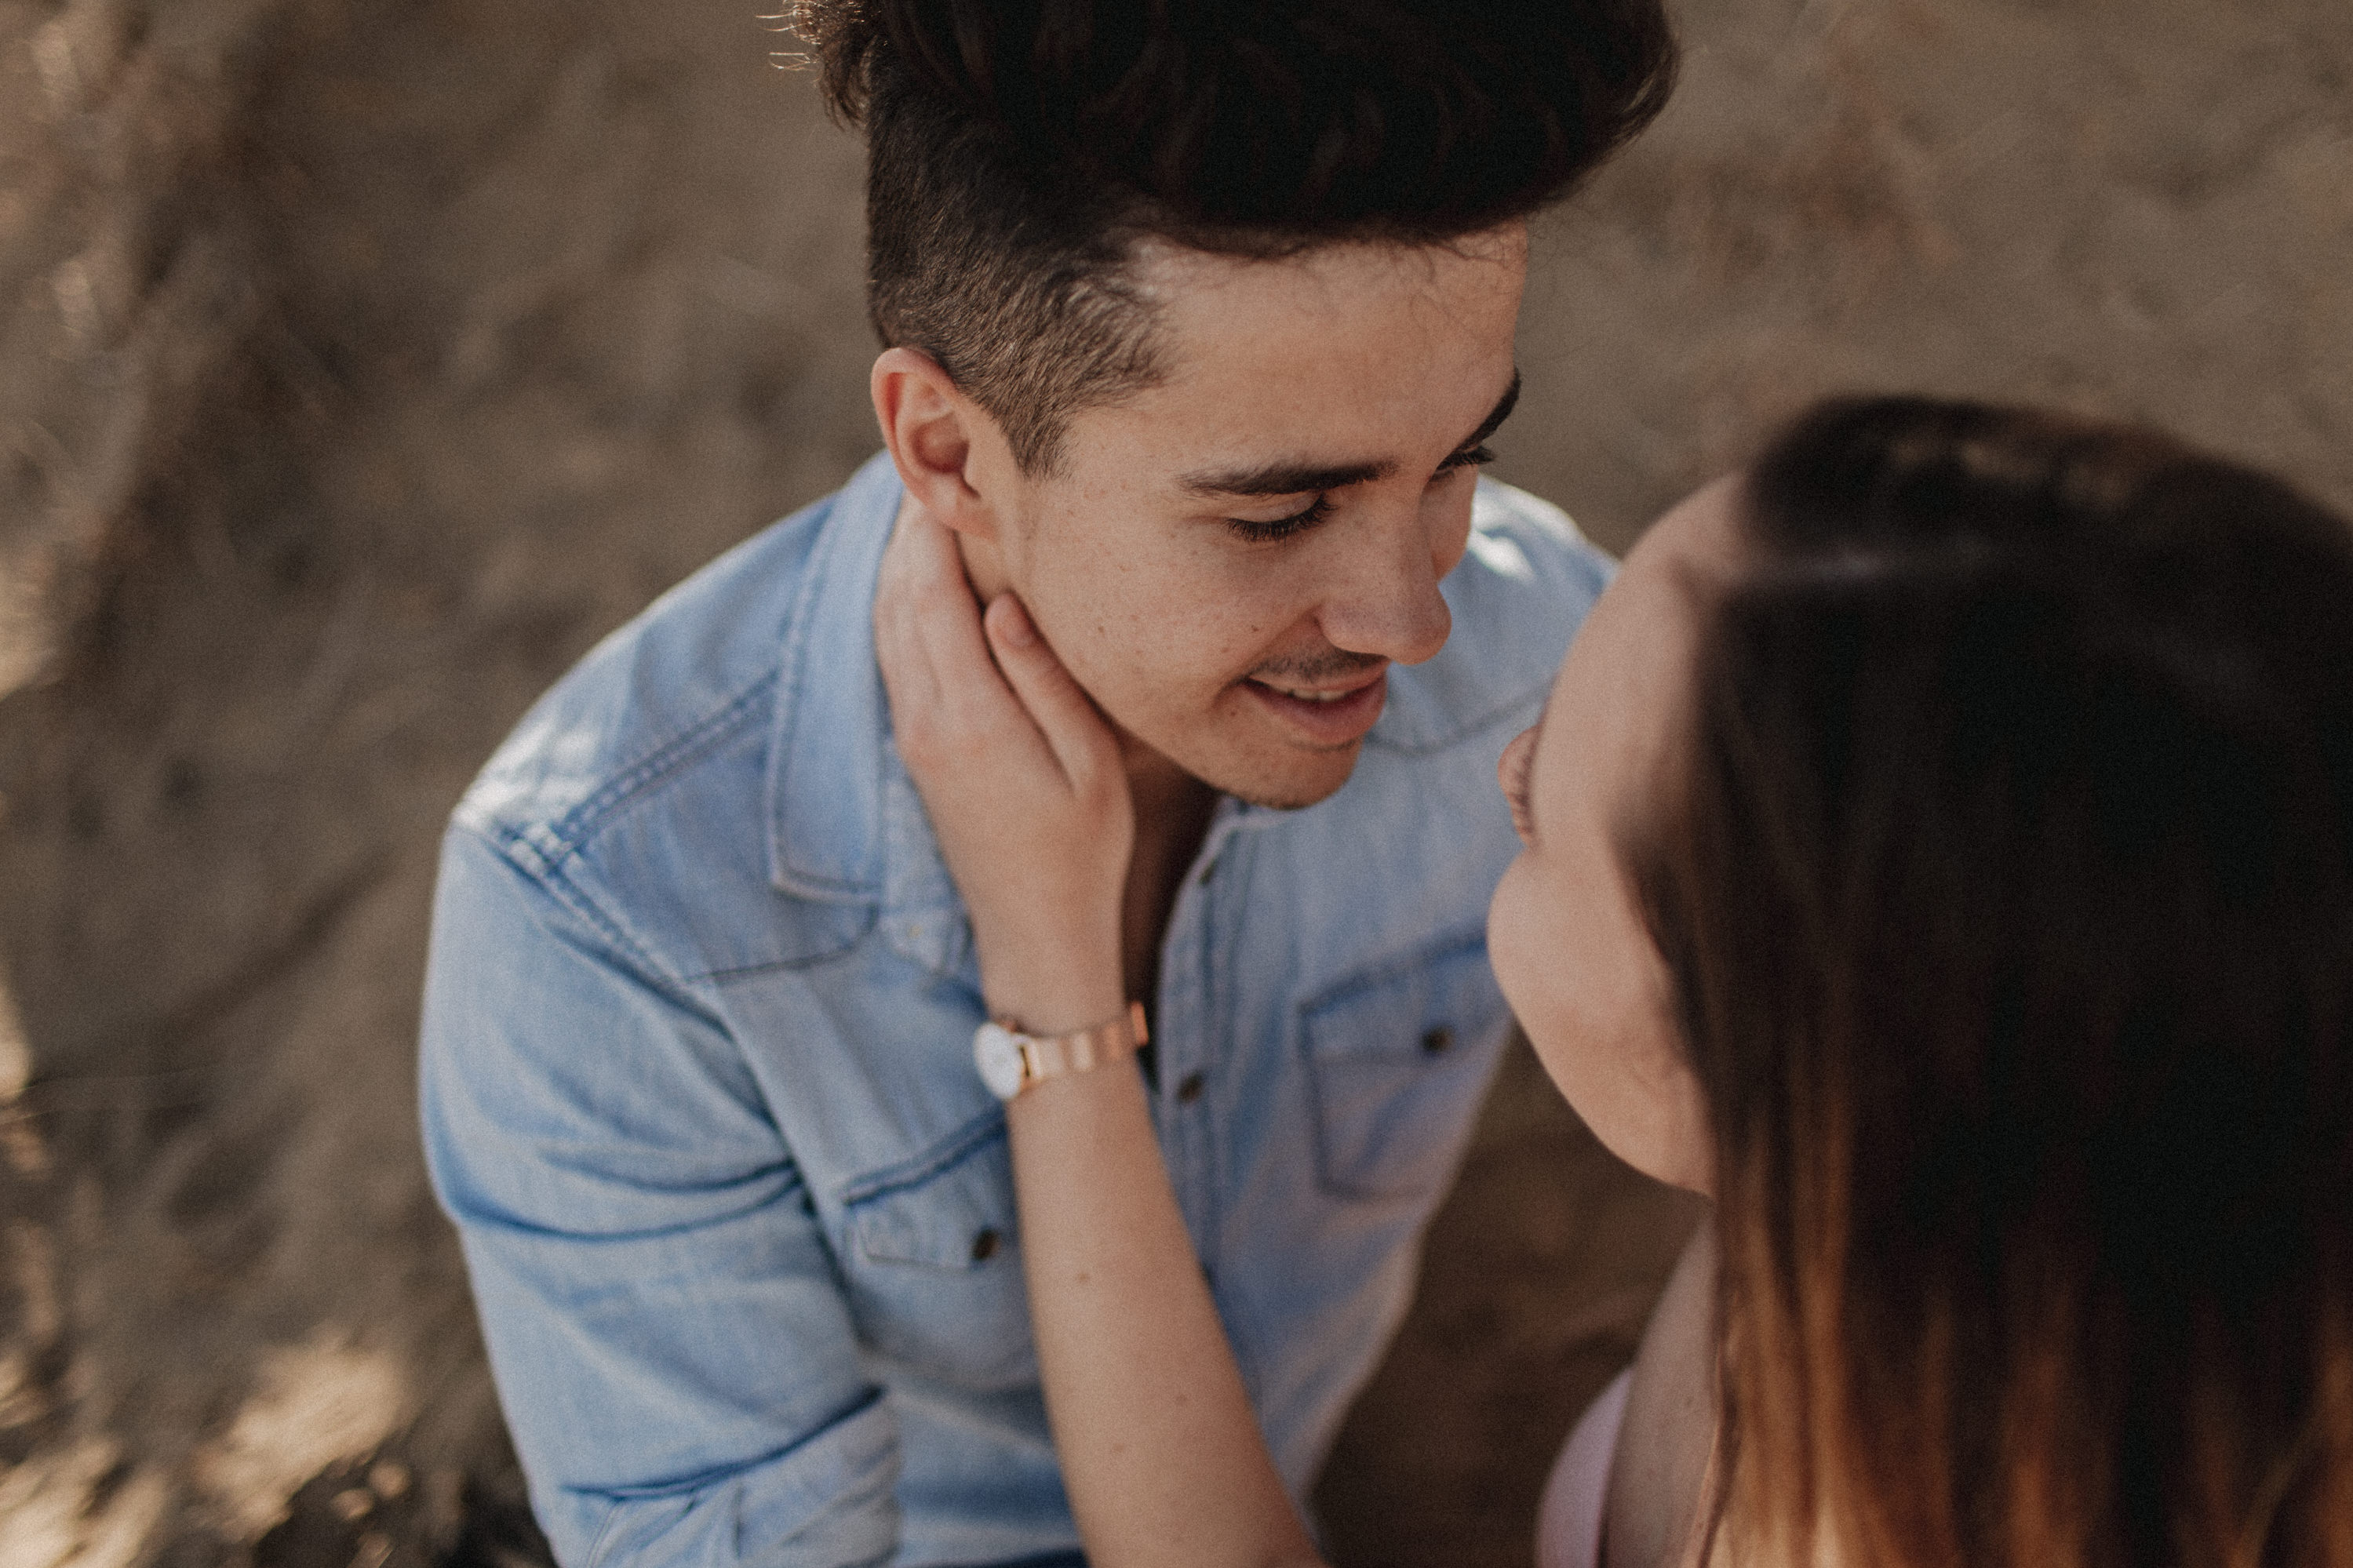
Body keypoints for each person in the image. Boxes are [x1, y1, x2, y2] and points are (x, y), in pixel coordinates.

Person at [417, 2, 1677, 1563]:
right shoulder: (608, 915)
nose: (1416, 618)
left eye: (1457, 463)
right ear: (947, 454)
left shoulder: (1536, 653)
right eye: (1280, 516)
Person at [884, 394, 2353, 1568]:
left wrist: (1053, 979)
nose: (1504, 759)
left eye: (1538, 829)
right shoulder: (1980, 1221)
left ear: (1787, 1090)